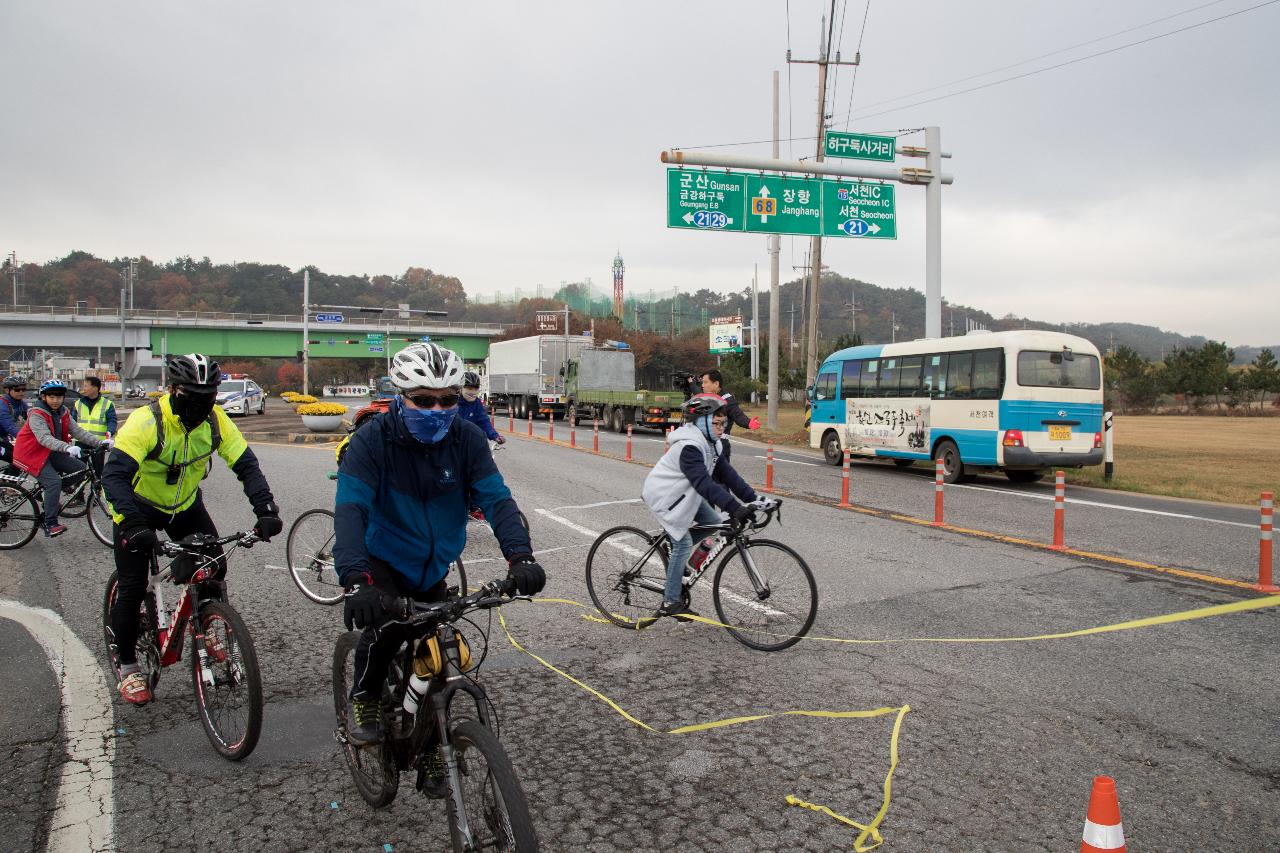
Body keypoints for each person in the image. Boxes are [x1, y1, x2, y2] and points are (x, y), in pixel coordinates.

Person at [333, 342, 544, 754]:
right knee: (389, 631)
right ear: (401, 395)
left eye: (447, 400)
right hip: (384, 559)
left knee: (435, 650)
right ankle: (365, 698)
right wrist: (356, 579)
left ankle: (428, 745)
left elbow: (497, 500)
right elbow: (350, 511)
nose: (436, 411)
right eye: (423, 400)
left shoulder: (466, 439)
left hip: (433, 564)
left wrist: (521, 555)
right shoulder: (371, 441)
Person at [101, 353, 282, 705]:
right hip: (137, 507)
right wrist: (134, 524)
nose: (201, 404)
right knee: (134, 585)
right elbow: (114, 476)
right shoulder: (147, 421)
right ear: (173, 390)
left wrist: (266, 509)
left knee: (214, 563)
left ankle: (205, 620)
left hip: (183, 506)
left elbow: (247, 466)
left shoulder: (216, 422)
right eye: (192, 396)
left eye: (208, 397)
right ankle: (127, 665)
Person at [641, 393, 765, 620]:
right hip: (665, 496)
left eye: (723, 424)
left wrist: (756, 499)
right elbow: (704, 483)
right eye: (716, 423)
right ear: (701, 422)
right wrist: (734, 507)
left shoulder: (712, 444)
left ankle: (673, 544)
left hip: (685, 495)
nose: (721, 429)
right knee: (684, 542)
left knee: (715, 522)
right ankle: (670, 600)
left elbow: (728, 475)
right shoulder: (689, 446)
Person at [12, 380, 111, 537]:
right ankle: (50, 523)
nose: (56, 400)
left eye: (59, 397)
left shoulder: (63, 412)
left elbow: (78, 432)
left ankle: (50, 493)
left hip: (50, 451)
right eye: (52, 397)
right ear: (44, 397)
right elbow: (44, 437)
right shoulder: (37, 414)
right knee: (54, 482)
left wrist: (101, 442)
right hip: (31, 453)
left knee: (80, 470)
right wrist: (66, 447)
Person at [72, 376, 117, 476]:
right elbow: (72, 421)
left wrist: (110, 431)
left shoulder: (107, 404)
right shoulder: (78, 403)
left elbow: (112, 420)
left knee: (98, 471)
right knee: (78, 469)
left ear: (95, 388)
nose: (84, 388)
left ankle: (97, 489)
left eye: (86, 386)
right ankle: (79, 489)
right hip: (81, 441)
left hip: (98, 443)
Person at [458, 370, 503, 444]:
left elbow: (484, 421)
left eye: (476, 388)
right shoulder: (452, 403)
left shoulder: (477, 403)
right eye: (469, 388)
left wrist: (495, 436)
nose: (473, 392)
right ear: (460, 388)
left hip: (471, 443)